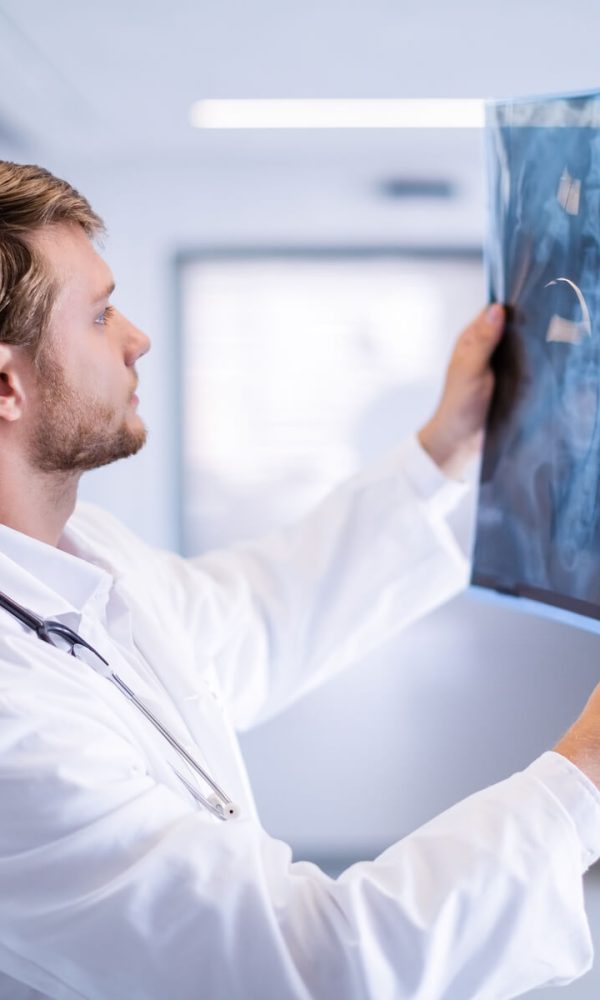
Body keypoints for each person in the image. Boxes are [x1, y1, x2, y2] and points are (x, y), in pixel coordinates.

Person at [0, 160, 598, 1000]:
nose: (136, 336)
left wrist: (444, 451)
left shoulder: (82, 552)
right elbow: (316, 968)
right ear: (5, 384)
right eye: (98, 316)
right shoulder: (13, 727)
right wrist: (587, 772)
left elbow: (255, 618)